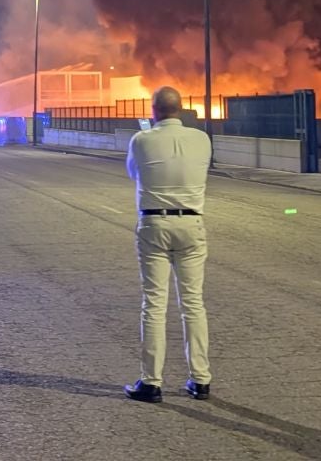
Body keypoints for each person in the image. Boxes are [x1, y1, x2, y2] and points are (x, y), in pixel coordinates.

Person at [123, 86, 212, 405]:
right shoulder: (202, 140)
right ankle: (200, 380)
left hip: (154, 223)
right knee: (193, 303)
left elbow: (134, 173)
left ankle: (151, 381)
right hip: (192, 224)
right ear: (181, 108)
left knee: (154, 303)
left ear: (154, 110)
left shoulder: (142, 140)